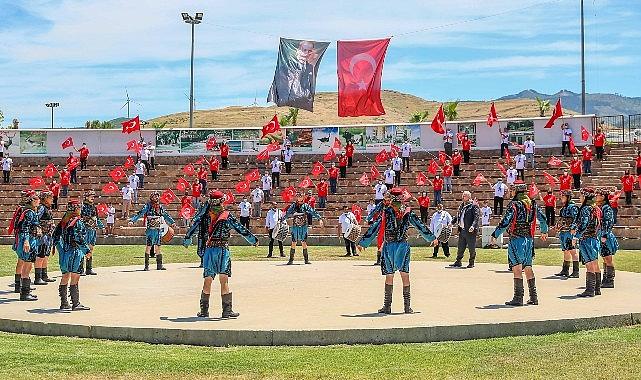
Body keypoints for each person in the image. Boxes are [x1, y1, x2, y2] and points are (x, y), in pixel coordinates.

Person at [358, 187, 438, 314]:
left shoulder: (386, 211)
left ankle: (387, 307)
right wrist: (432, 238)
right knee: (405, 275)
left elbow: (375, 226)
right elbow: (420, 225)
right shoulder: (408, 211)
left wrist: (363, 242)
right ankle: (407, 307)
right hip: (402, 246)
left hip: (389, 246)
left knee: (389, 276)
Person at [182, 190, 258, 319]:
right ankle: (226, 311)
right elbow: (240, 228)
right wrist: (253, 239)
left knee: (208, 279)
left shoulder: (204, 215)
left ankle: (204, 311)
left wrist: (187, 239)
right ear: (222, 201)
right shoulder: (227, 215)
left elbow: (194, 226)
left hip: (209, 250)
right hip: (222, 250)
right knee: (224, 279)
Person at [491, 183, 548, 306]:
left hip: (517, 239)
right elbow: (543, 218)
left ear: (516, 192)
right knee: (528, 267)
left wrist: (495, 234)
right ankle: (534, 297)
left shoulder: (514, 204)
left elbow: (506, 221)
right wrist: (544, 230)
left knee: (517, 268)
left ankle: (518, 297)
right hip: (529, 240)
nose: (511, 192)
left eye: (512, 190)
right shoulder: (532, 204)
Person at [52, 200, 91, 310]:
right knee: (75, 277)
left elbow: (55, 236)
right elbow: (78, 238)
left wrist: (60, 249)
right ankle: (76, 303)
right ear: (76, 209)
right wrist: (87, 251)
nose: (80, 209)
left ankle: (64, 303)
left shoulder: (64, 220)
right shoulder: (76, 221)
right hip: (75, 252)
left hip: (65, 252)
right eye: (79, 207)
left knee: (65, 276)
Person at [129, 192, 177, 271]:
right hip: (150, 230)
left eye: (157, 197)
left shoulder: (160, 207)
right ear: (151, 198)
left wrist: (172, 222)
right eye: (155, 197)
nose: (156, 198)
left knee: (158, 247)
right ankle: (146, 266)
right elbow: (140, 213)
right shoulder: (147, 206)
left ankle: (159, 265)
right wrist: (132, 220)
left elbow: (166, 215)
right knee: (148, 247)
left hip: (158, 230)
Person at [572, 187, 602, 297]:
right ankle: (597, 288)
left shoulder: (585, 209)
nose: (579, 198)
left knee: (589, 264)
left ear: (585, 197)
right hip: (594, 238)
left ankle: (590, 290)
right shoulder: (596, 208)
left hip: (586, 239)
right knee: (595, 263)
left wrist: (576, 236)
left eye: (581, 195)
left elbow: (584, 224)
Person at [12, 190, 40, 301]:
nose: (39, 201)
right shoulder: (29, 212)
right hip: (29, 240)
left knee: (27, 264)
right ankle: (24, 293)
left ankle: (25, 291)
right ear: (32, 201)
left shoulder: (31, 210)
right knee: (27, 266)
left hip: (30, 239)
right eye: (36, 199)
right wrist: (26, 241)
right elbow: (25, 228)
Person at [281, 191, 323, 265]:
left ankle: (306, 260)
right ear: (297, 197)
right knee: (294, 242)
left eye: (301, 196)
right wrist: (282, 219)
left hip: (303, 226)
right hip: (295, 226)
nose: (299, 197)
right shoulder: (294, 205)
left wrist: (319, 219)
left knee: (304, 242)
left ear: (303, 197)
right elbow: (288, 213)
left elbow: (313, 212)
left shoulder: (306, 205)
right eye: (298, 196)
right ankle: (291, 260)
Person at [450, 191, 481, 268]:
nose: (463, 197)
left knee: (471, 247)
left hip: (470, 231)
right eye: (463, 195)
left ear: (469, 197)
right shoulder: (461, 206)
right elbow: (458, 216)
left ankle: (471, 262)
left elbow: (476, 217)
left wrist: (473, 226)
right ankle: (458, 261)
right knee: (460, 247)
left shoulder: (473, 206)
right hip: (462, 230)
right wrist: (452, 222)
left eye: (464, 196)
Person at [596, 187, 618, 289]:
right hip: (601, 234)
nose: (596, 196)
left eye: (598, 195)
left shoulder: (607, 208)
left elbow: (608, 222)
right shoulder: (600, 206)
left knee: (608, 258)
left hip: (606, 235)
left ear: (603, 196)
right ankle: (605, 279)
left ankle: (610, 280)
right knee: (604, 257)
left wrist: (604, 235)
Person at [555, 190, 580, 278]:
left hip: (569, 232)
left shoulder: (573, 207)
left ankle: (576, 271)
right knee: (565, 251)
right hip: (563, 232)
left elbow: (576, 219)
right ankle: (565, 270)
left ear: (568, 197)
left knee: (572, 251)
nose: (561, 198)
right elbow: (561, 219)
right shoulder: (563, 208)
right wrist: (557, 225)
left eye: (563, 196)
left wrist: (573, 228)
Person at [34, 190, 56, 286]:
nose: (52, 199)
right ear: (45, 198)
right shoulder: (41, 208)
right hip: (42, 236)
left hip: (48, 235)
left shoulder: (47, 208)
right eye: (50, 197)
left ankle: (44, 275)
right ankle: (37, 278)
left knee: (45, 255)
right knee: (40, 256)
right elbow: (36, 219)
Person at [79, 190, 104, 276]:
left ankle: (89, 269)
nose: (93, 198)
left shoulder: (94, 207)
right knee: (83, 249)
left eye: (93, 196)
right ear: (86, 197)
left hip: (93, 230)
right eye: (91, 196)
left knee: (90, 248)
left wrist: (102, 226)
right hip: (85, 230)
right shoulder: (82, 206)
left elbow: (97, 218)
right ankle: (80, 269)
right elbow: (79, 218)